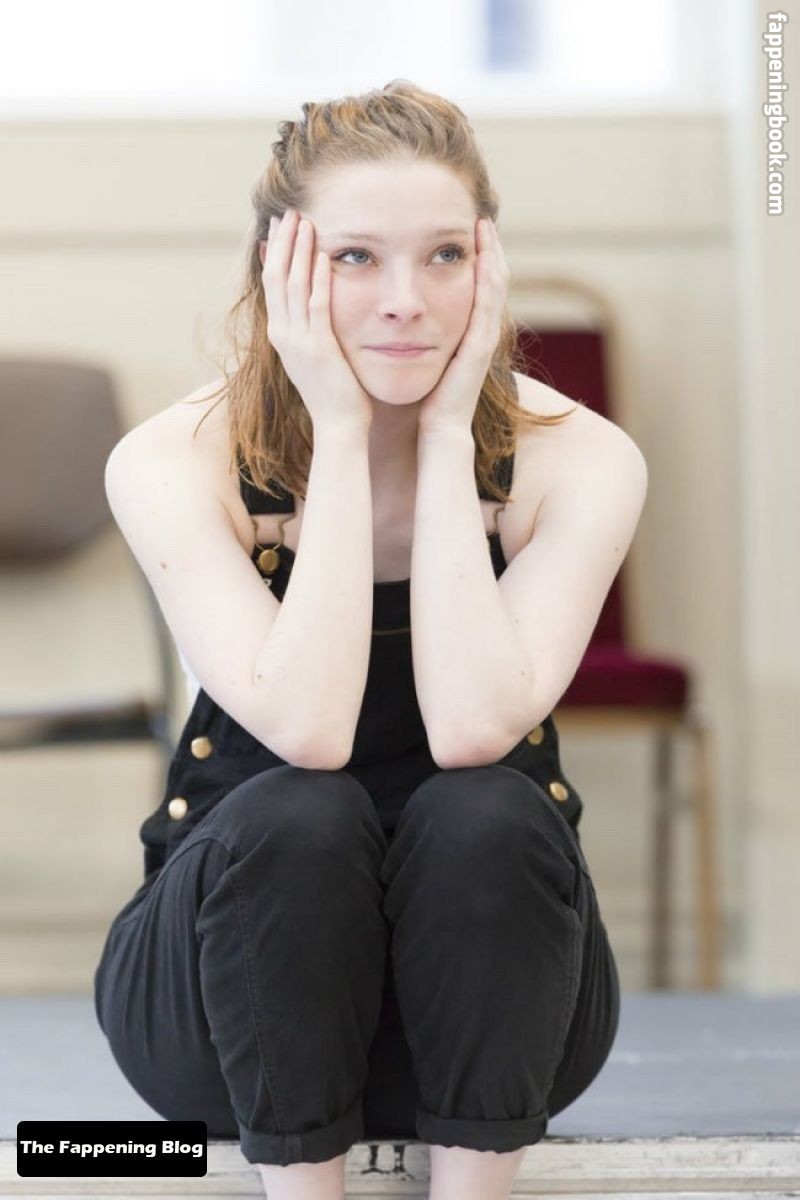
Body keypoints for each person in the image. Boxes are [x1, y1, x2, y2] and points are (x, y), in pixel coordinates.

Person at [93, 79, 647, 1200]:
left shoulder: (580, 458)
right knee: (300, 810)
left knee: (486, 808)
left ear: (488, 263)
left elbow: (473, 730)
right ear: (278, 267)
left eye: (444, 256)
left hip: (496, 1024)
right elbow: (307, 732)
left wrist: (446, 436)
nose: (407, 301)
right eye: (355, 258)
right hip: (231, 1012)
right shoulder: (175, 459)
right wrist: (340, 433)